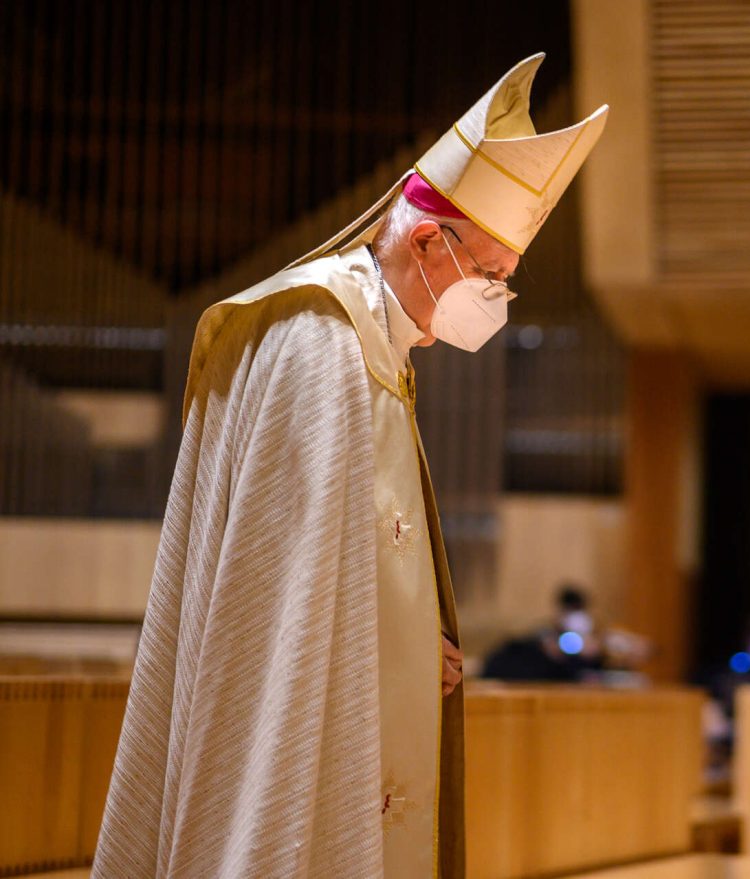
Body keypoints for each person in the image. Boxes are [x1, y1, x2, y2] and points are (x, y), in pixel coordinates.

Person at [92, 55, 607, 878]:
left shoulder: (380, 346)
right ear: (431, 241)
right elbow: (277, 605)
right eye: (494, 278)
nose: (497, 303)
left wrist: (410, 638)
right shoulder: (319, 339)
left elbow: (347, 560)